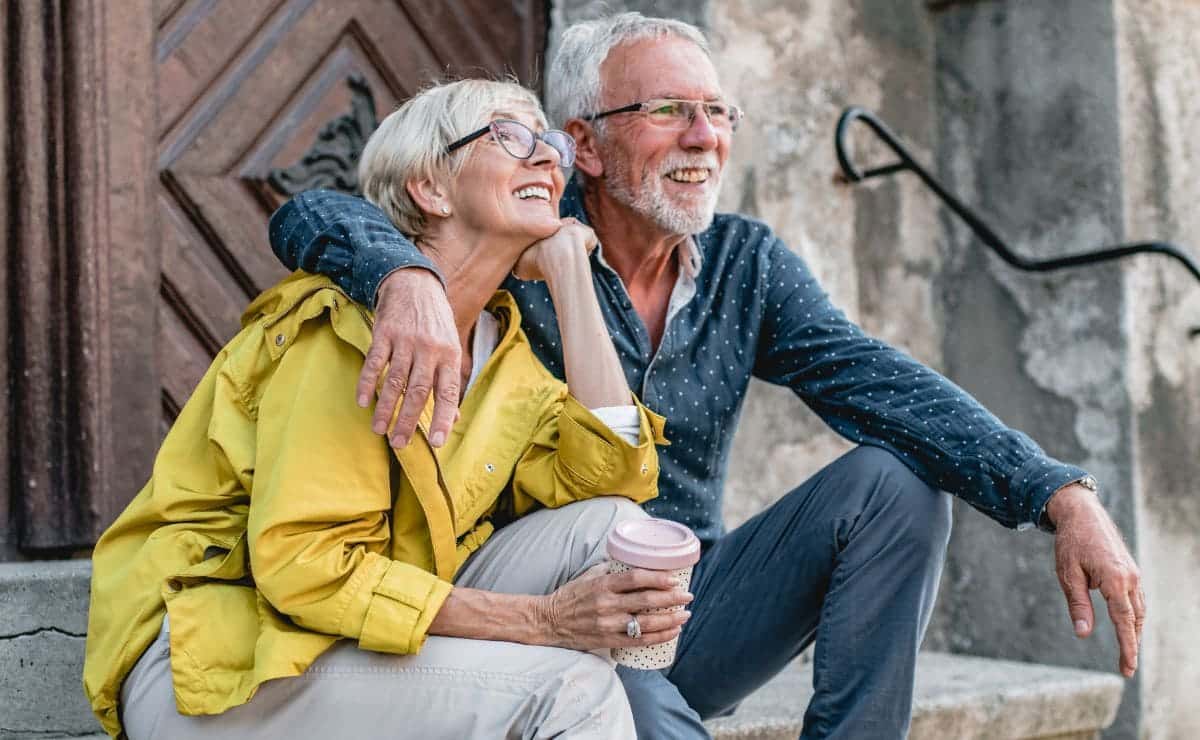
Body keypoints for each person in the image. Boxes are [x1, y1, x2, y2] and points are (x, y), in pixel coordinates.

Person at [267, 13, 1145, 739]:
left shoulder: (744, 264)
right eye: (669, 110)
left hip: (690, 612)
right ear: (586, 146)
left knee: (897, 483)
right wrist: (403, 279)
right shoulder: (523, 232)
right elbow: (321, 207)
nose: (704, 137)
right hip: (542, 622)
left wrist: (1059, 493)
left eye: (719, 111)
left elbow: (883, 383)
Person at [83, 78, 690, 739]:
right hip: (223, 662)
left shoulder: (501, 354)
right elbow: (305, 569)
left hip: (352, 644)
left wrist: (574, 275)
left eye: (549, 143)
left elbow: (612, 477)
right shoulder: (346, 328)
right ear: (430, 189)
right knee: (574, 690)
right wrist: (541, 623)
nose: (546, 156)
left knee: (611, 528)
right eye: (511, 136)